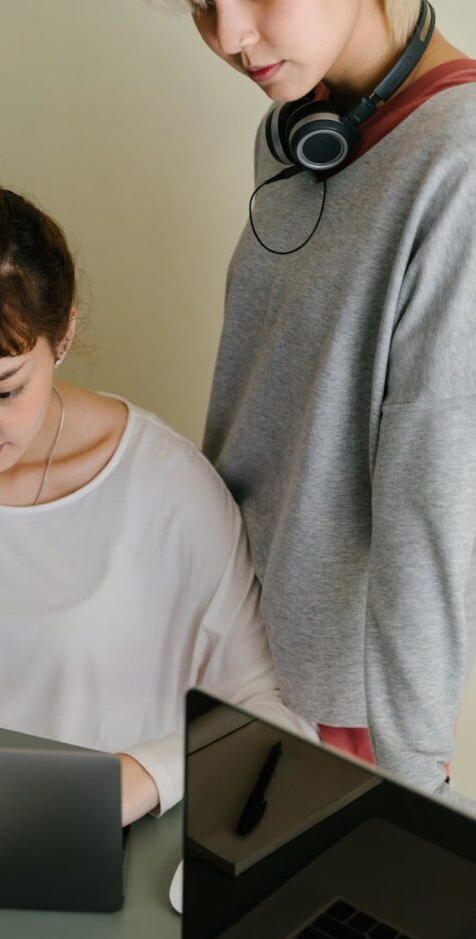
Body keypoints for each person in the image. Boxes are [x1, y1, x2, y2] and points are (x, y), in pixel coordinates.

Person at [0, 123, 315, 825]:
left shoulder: (162, 489)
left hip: (93, 853)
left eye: (3, 390)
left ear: (62, 334)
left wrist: (138, 777)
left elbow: (264, 711)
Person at [181, 0, 476, 808]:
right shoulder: (297, 131)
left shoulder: (461, 161)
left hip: (334, 701)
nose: (228, 37)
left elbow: (433, 499)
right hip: (223, 637)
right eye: (200, 4)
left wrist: (411, 779)